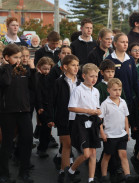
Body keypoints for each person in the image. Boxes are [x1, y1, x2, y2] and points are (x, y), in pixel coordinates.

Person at [0, 44, 35, 183]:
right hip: (7, 112)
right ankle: (4, 175)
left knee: (27, 141)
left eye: (20, 57)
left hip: (24, 111)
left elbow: (34, 87)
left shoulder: (24, 70)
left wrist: (32, 69)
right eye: (16, 57)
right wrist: (8, 66)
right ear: (7, 57)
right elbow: (6, 82)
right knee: (7, 144)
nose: (19, 60)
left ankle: (24, 172)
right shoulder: (3, 70)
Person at [99, 78, 139, 183]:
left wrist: (127, 132)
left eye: (119, 89)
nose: (117, 92)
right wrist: (102, 133)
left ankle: (127, 175)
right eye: (115, 90)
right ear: (108, 90)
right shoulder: (105, 104)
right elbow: (99, 120)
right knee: (107, 155)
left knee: (123, 155)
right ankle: (103, 176)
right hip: (110, 135)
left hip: (121, 134)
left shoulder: (123, 102)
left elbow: (125, 117)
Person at [48, 55, 81, 183]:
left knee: (74, 145)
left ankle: (67, 170)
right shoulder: (58, 82)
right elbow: (51, 102)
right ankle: (65, 172)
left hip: (77, 119)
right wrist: (51, 118)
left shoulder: (80, 82)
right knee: (66, 145)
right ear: (65, 67)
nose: (76, 68)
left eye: (77, 65)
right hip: (63, 118)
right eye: (73, 65)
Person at [68, 63, 102, 183]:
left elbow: (97, 107)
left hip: (93, 121)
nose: (94, 79)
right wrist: (88, 111)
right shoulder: (78, 90)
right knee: (86, 154)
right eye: (91, 76)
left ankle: (91, 179)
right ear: (83, 76)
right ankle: (71, 171)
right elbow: (71, 107)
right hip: (81, 122)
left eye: (96, 76)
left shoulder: (96, 91)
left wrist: (98, 112)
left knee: (93, 153)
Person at [105, 33, 139, 145]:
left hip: (128, 100)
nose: (125, 44)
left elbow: (135, 81)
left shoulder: (130, 60)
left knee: (128, 129)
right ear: (115, 44)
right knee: (113, 130)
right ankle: (110, 158)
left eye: (126, 42)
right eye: (122, 42)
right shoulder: (109, 59)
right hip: (113, 101)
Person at [35, 57, 55, 158]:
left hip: (50, 105)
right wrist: (40, 106)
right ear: (39, 68)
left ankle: (43, 147)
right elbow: (38, 94)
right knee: (46, 126)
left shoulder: (51, 78)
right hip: (42, 105)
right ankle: (41, 148)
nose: (46, 71)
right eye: (44, 69)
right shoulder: (38, 77)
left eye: (48, 69)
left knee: (47, 127)